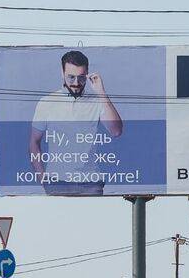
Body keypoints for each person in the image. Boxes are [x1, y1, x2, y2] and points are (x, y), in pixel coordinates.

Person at [28, 50, 124, 197]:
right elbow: (34, 142)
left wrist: (101, 93)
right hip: (56, 181)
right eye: (71, 77)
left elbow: (116, 131)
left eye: (81, 78)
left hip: (91, 182)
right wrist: (43, 178)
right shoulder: (46, 102)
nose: (76, 83)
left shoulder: (97, 101)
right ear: (62, 72)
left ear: (87, 74)